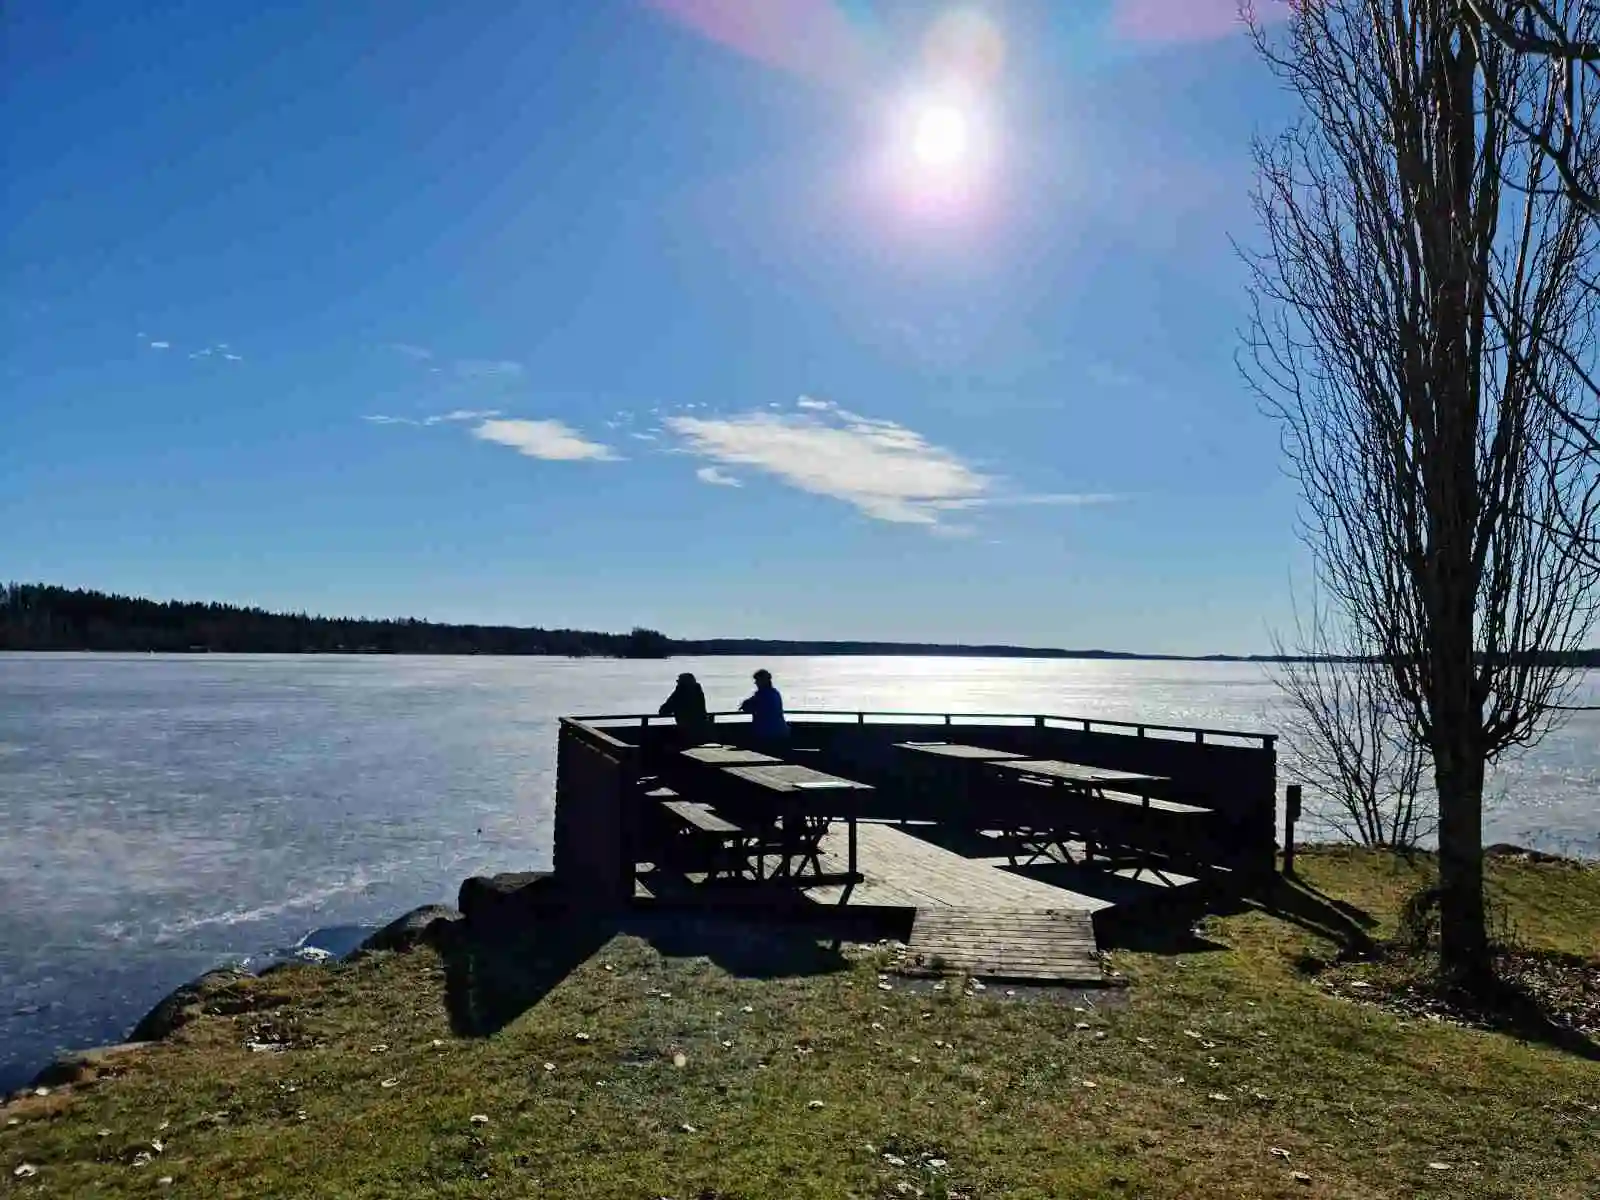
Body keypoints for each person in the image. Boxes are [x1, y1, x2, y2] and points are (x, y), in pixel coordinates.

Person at [739, 668, 789, 743]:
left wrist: (746, 705)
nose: (755, 683)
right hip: (780, 731)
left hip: (768, 733)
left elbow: (750, 707)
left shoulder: (763, 695)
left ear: (763, 681)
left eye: (757, 680)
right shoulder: (774, 692)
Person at [658, 672, 710, 744]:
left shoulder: (681, 690)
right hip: (700, 723)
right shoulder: (697, 689)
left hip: (685, 724)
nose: (677, 682)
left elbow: (671, 704)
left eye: (678, 681)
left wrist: (663, 711)